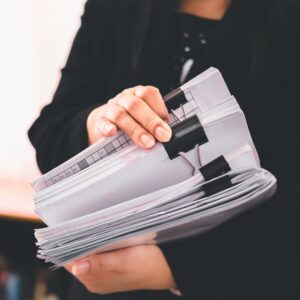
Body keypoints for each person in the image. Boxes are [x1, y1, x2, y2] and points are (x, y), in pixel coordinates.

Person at [28, 0, 300, 299]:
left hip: (245, 281)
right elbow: (49, 132)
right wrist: (99, 124)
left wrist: (172, 269)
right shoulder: (111, 8)